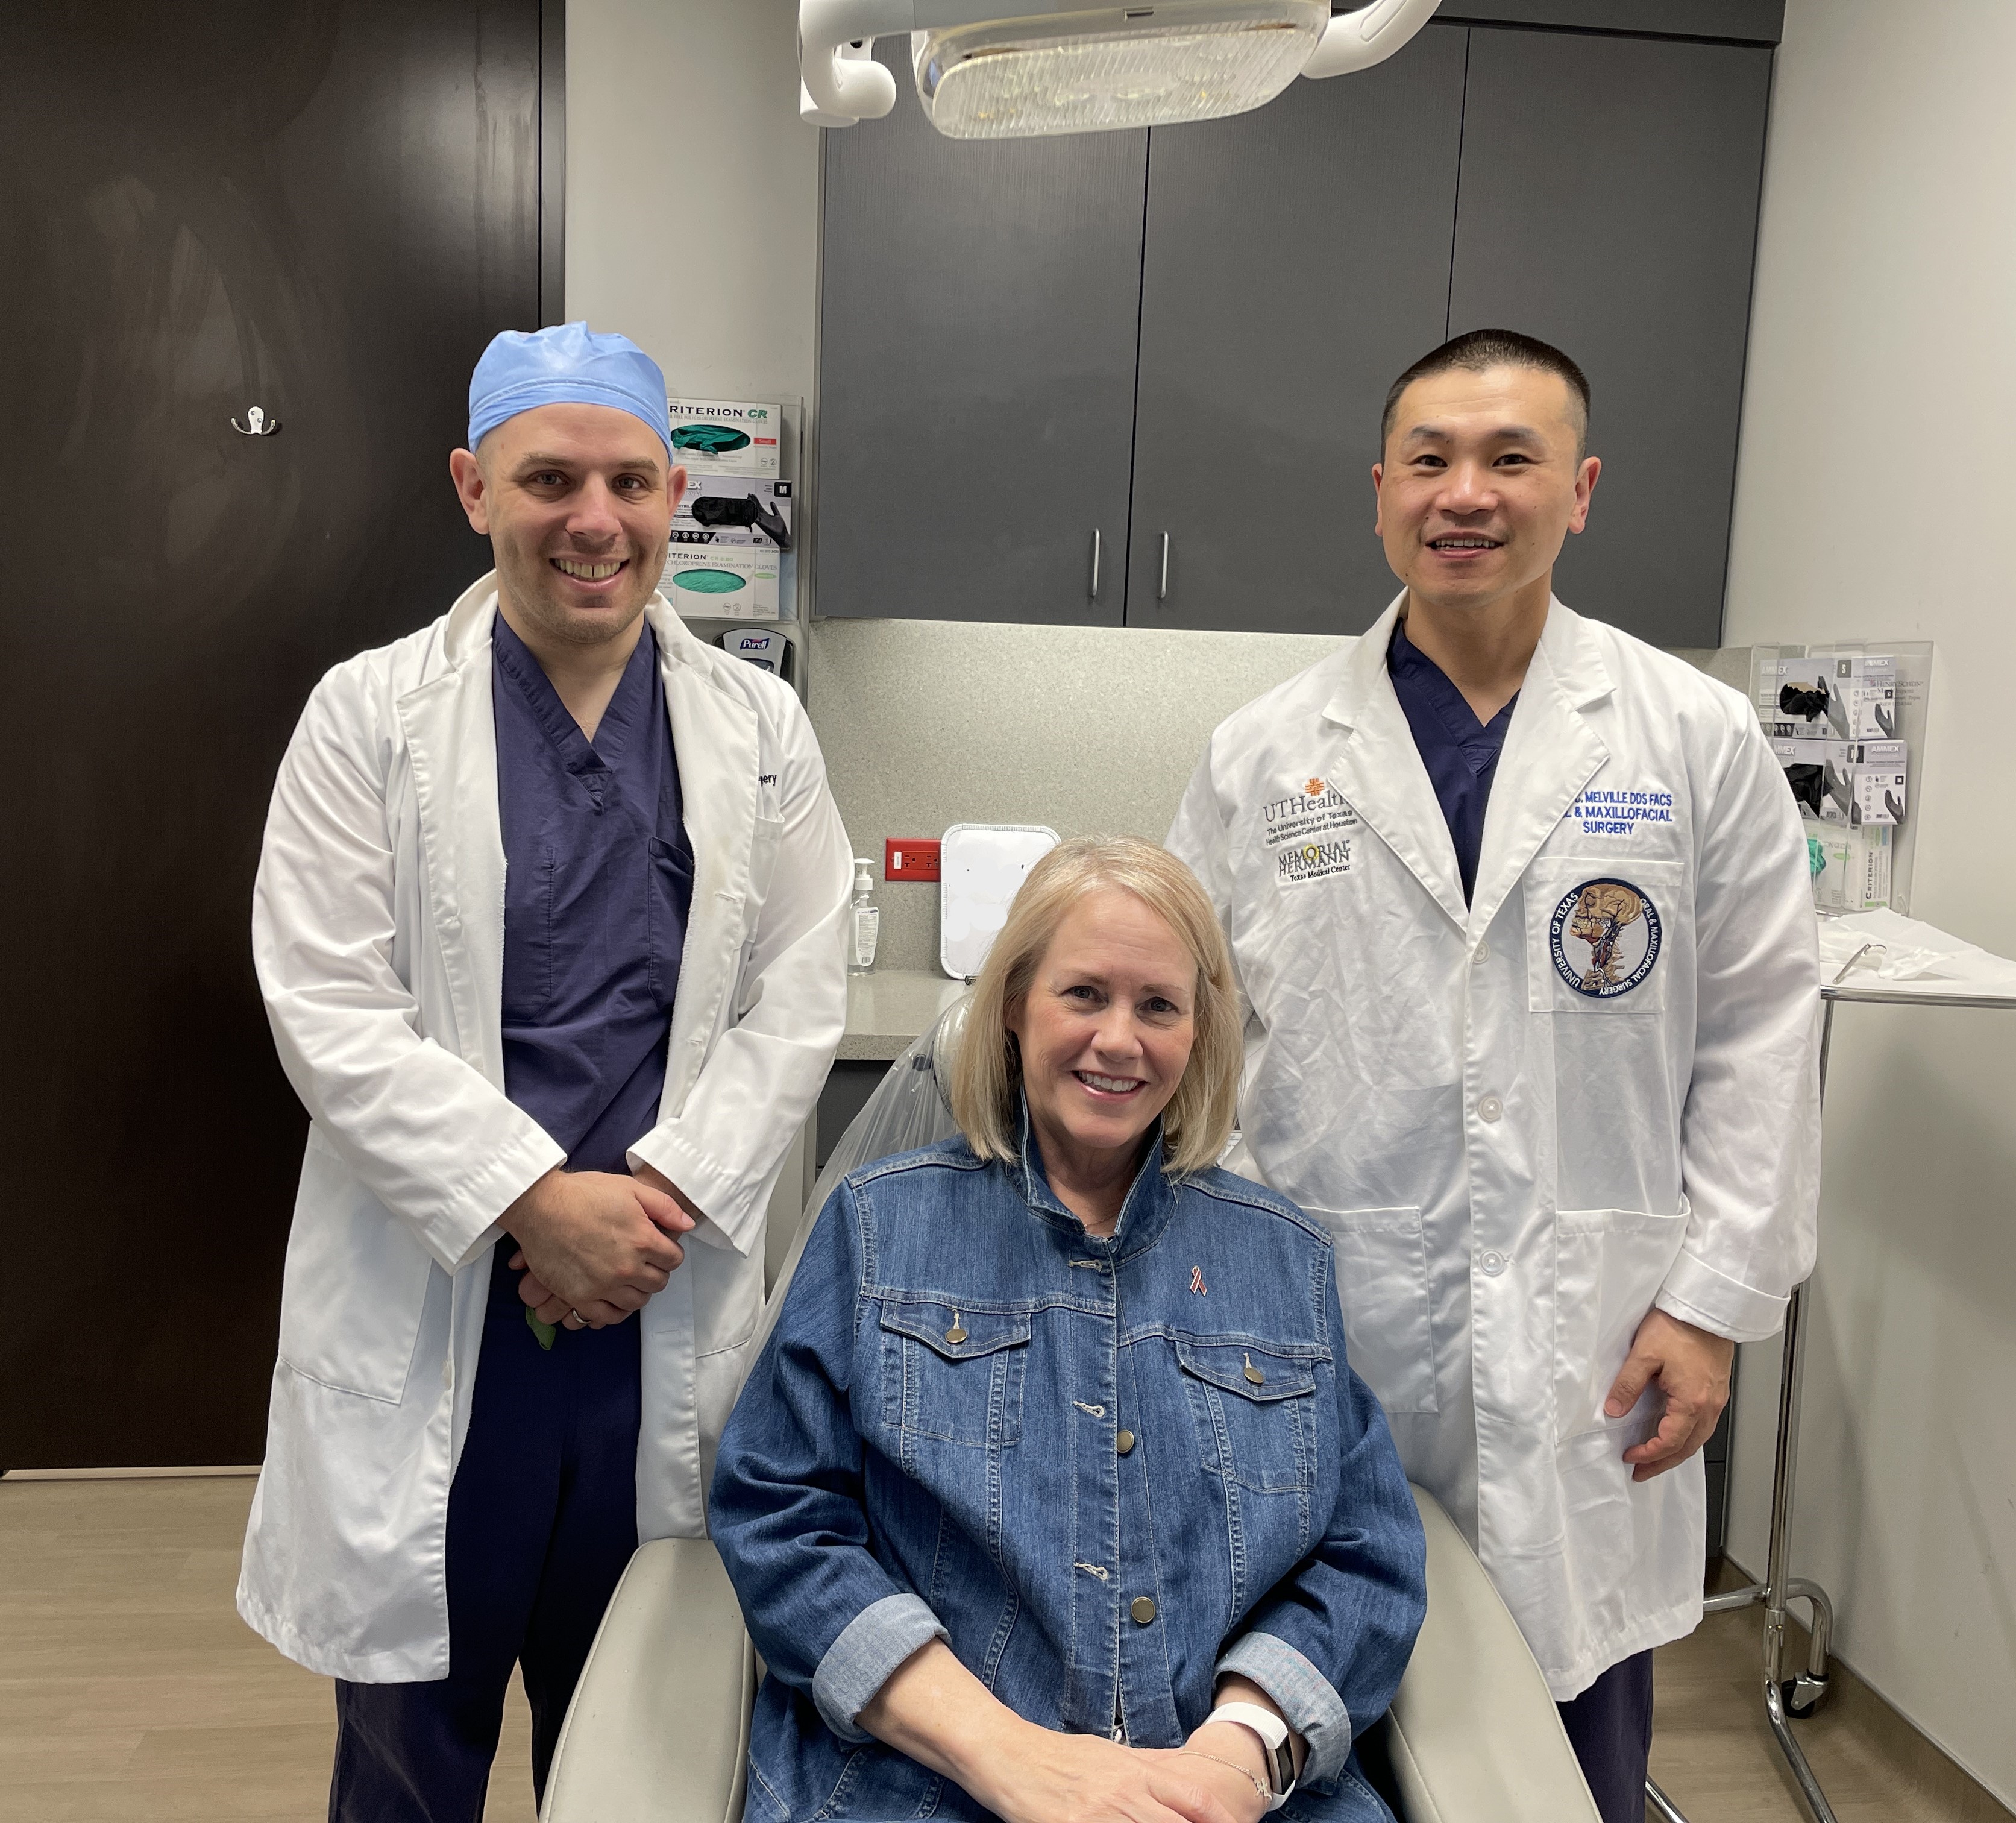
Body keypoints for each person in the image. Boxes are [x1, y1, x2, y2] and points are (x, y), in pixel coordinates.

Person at [1165, 329, 1821, 1822]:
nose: (1466, 494)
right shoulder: (1267, 754)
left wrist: (1713, 1305)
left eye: (1510, 459)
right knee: (1313, 1705)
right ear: (1378, 492)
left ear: (1578, 490)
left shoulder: (1690, 736)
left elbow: (1766, 1031)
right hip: (1315, 1314)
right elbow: (1197, 1035)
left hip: (1591, 1327)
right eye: (1430, 461)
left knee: (1562, 1735)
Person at [236, 323, 852, 1819]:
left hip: (657, 1294)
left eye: (632, 482)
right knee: (409, 1756)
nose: (596, 520)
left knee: (640, 1745)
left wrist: (648, 1205)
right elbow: (325, 1002)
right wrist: (532, 1202)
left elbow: (802, 988)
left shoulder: (757, 726)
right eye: (549, 479)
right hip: (441, 1301)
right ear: (472, 488)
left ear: (670, 497)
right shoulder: (366, 715)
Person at [710, 837, 1428, 1823]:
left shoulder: (1283, 1259)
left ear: (1199, 1029)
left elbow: (1363, 1552)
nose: (1119, 1040)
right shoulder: (880, 1228)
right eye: (1083, 994)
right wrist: (1007, 1756)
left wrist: (1235, 1754)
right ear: (1012, 1006)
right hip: (924, 1784)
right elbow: (779, 1520)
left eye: (1158, 1006)